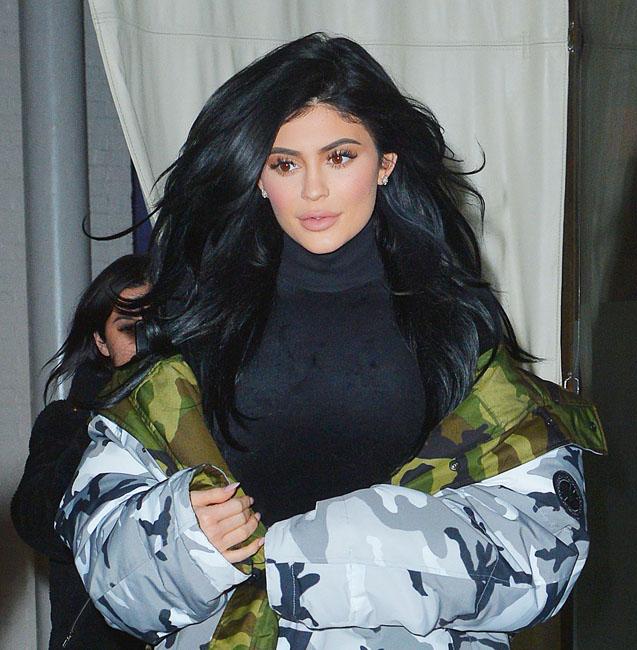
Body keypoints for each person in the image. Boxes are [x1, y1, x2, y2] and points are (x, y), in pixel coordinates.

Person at [56, 33, 605, 649]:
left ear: (385, 163)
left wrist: (346, 549)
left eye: (340, 157)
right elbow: (101, 555)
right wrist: (178, 537)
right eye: (285, 164)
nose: (313, 190)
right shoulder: (194, 331)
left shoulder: (455, 329)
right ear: (257, 175)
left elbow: (544, 548)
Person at [12, 254, 149, 650]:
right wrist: (102, 419)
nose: (146, 341)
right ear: (100, 341)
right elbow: (37, 524)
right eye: (129, 328)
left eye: (159, 325)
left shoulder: (213, 417)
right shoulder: (69, 421)